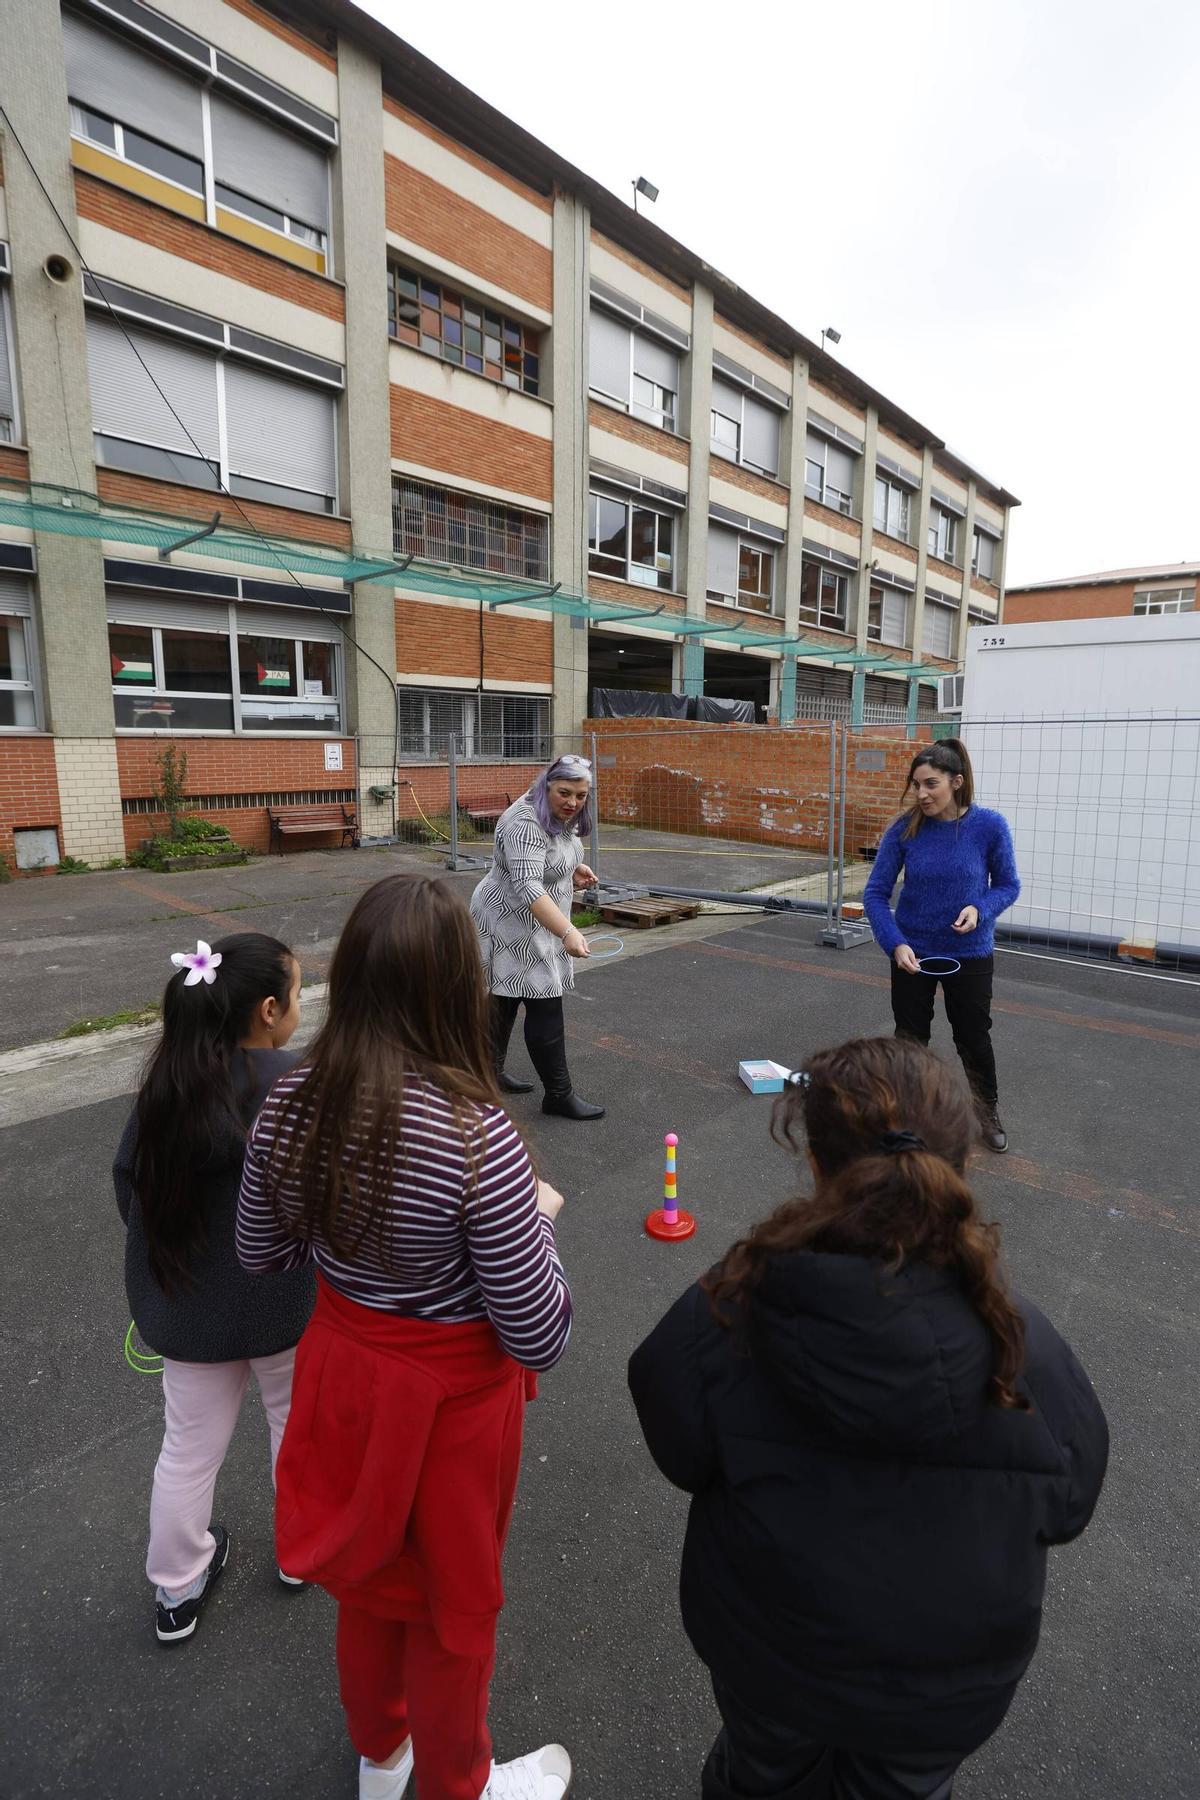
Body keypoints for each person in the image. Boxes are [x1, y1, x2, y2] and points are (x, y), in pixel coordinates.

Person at [629, 1036, 1108, 1800]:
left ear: (815, 1167)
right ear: (962, 1167)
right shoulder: (1023, 1343)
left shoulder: (729, 1306)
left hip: (771, 1657)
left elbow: (679, 1444)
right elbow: (1071, 1501)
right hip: (945, 1686)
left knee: (760, 1777)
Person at [237, 874, 574, 1800]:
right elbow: (539, 1333)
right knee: (451, 1612)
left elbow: (260, 1254)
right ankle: (459, 1784)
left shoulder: (291, 1102)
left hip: (346, 1372)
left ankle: (381, 1756)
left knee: (370, 1585)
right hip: (453, 1409)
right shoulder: (479, 1138)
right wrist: (539, 1224)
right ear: (454, 987)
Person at [113, 932, 312, 1645]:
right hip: (284, 1301)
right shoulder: (295, 1087)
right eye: (297, 992)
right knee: (297, 1428)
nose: (300, 1004)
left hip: (189, 1305)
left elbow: (128, 1185)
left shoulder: (166, 1085)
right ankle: (300, 1553)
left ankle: (177, 1587)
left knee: (188, 1448)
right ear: (267, 1010)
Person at [862, 736, 1019, 1152]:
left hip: (970, 953)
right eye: (916, 784)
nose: (921, 793)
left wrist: (980, 909)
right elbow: (875, 894)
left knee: (973, 1037)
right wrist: (894, 943)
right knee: (910, 1040)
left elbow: (1008, 885)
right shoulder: (904, 829)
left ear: (957, 782)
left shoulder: (989, 826)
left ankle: (987, 1112)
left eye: (930, 784)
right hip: (912, 952)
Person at [470, 753, 604, 1121]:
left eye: (581, 795)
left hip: (537, 919)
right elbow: (527, 884)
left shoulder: (562, 815)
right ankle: (558, 1095)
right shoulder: (524, 822)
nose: (573, 803)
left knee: (505, 999)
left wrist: (572, 867)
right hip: (508, 920)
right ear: (546, 784)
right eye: (565, 793)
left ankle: (487, 1074)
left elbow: (548, 857)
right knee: (544, 1000)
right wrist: (568, 931)